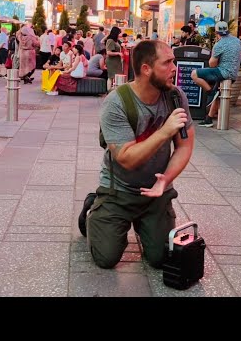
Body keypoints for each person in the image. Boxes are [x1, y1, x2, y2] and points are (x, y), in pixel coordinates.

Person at [81, 40, 195, 269]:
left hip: (155, 193)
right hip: (119, 190)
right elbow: (126, 158)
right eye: (168, 63)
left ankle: (147, 224)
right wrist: (164, 131)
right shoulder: (116, 102)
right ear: (146, 69)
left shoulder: (175, 96)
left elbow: (185, 146)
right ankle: (93, 209)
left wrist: (166, 180)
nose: (175, 68)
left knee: (160, 258)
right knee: (106, 258)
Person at [190, 21, 241, 127]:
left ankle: (210, 92)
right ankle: (208, 119)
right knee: (218, 96)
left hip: (222, 72)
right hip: (233, 74)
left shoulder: (219, 44)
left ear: (216, 32)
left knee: (194, 74)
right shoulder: (237, 41)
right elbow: (240, 55)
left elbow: (212, 64)